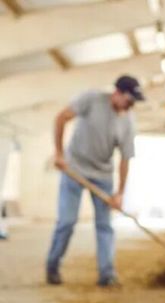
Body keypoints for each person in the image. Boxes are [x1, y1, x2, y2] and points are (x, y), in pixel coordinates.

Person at [46, 75, 144, 286]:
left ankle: (106, 275)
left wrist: (119, 193)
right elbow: (61, 117)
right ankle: (52, 266)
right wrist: (59, 154)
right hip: (74, 168)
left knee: (104, 226)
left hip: (103, 176)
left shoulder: (128, 121)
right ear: (117, 93)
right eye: (128, 100)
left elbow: (125, 159)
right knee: (67, 222)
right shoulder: (91, 99)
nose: (130, 105)